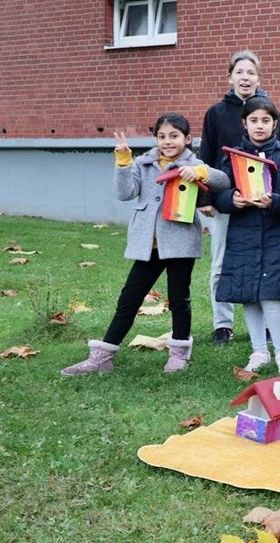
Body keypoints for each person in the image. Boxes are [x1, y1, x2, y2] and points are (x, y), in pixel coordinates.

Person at [61, 114, 230, 376]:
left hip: (179, 244)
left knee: (179, 299)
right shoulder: (144, 162)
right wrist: (123, 160)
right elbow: (125, 192)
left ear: (187, 138)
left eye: (174, 136)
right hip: (147, 245)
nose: (167, 141)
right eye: (162, 136)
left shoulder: (194, 163)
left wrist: (200, 171)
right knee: (129, 299)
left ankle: (179, 354)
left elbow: (223, 181)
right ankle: (103, 356)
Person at [214, 97, 280, 376]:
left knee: (271, 294)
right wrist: (231, 199)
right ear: (244, 123)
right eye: (254, 120)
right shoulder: (232, 157)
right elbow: (218, 194)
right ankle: (258, 351)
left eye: (265, 120)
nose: (260, 125)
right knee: (249, 296)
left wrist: (276, 201)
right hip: (242, 237)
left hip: (274, 236)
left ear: (274, 124)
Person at [199, 50, 280, 346]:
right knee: (221, 262)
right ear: (230, 77)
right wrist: (207, 198)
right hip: (228, 201)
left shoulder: (270, 111)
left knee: (260, 262)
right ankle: (222, 324)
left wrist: (276, 197)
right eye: (239, 72)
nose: (245, 77)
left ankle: (261, 324)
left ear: (258, 78)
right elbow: (207, 157)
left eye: (250, 72)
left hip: (261, 202)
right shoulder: (216, 113)